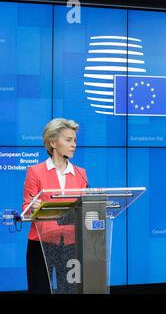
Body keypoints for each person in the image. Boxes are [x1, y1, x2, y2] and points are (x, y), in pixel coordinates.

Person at [22, 118, 88, 294]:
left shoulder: (81, 174)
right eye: (68, 140)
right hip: (41, 245)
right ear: (53, 143)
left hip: (71, 245)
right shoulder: (35, 171)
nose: (74, 144)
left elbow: (84, 210)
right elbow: (26, 210)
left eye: (74, 140)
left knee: (70, 291)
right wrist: (34, 207)